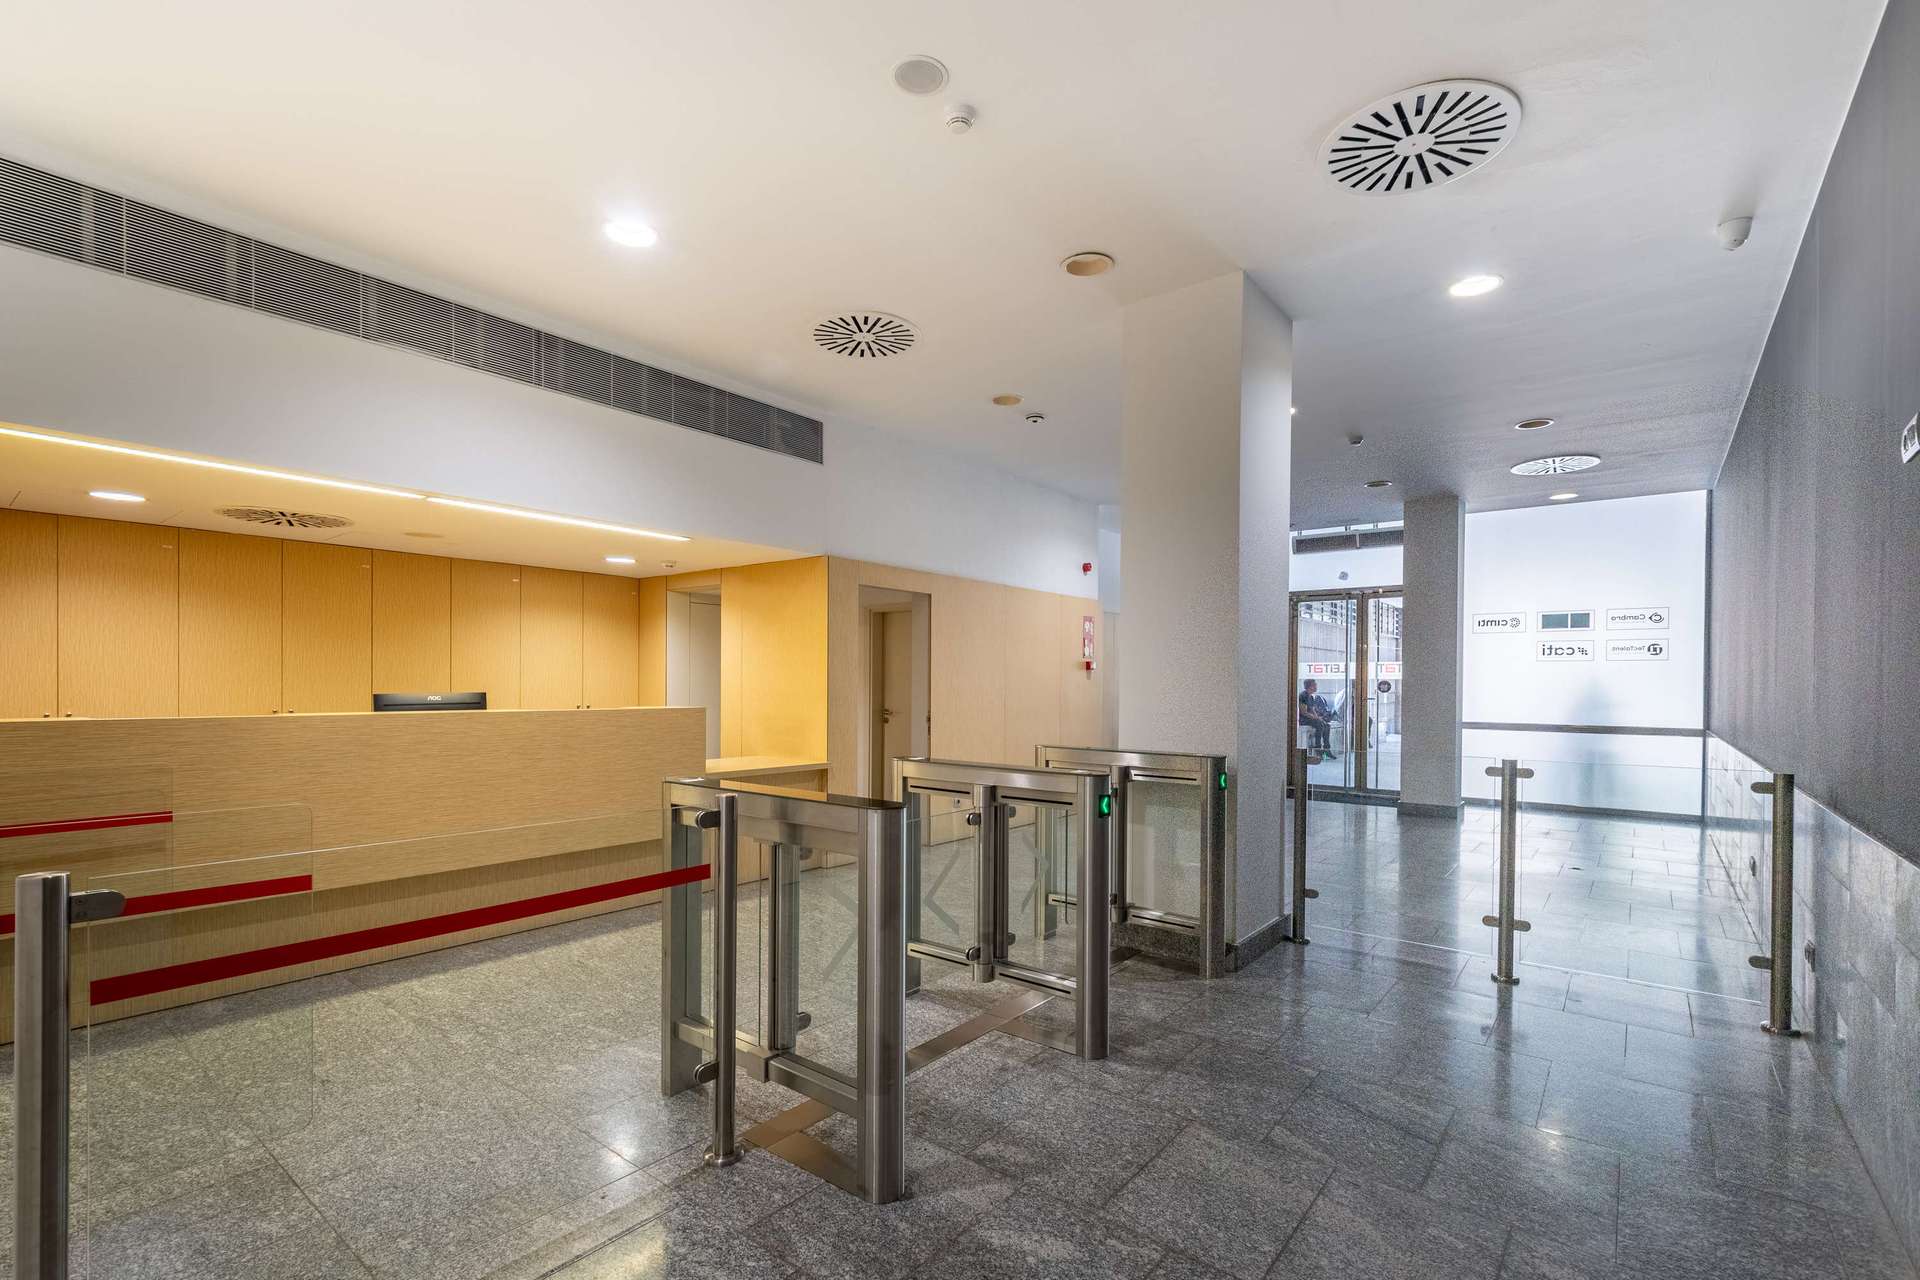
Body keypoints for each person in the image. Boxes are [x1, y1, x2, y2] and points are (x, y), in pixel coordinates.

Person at [1298, 679, 1336, 757]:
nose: (1316, 687)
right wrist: (1316, 718)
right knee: (1320, 724)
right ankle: (1318, 748)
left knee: (1327, 725)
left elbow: (1312, 710)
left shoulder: (1311, 697)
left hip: (1310, 718)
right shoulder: (1303, 696)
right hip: (1304, 719)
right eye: (1315, 685)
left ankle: (1327, 749)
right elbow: (1303, 712)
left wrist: (1318, 717)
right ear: (1310, 686)